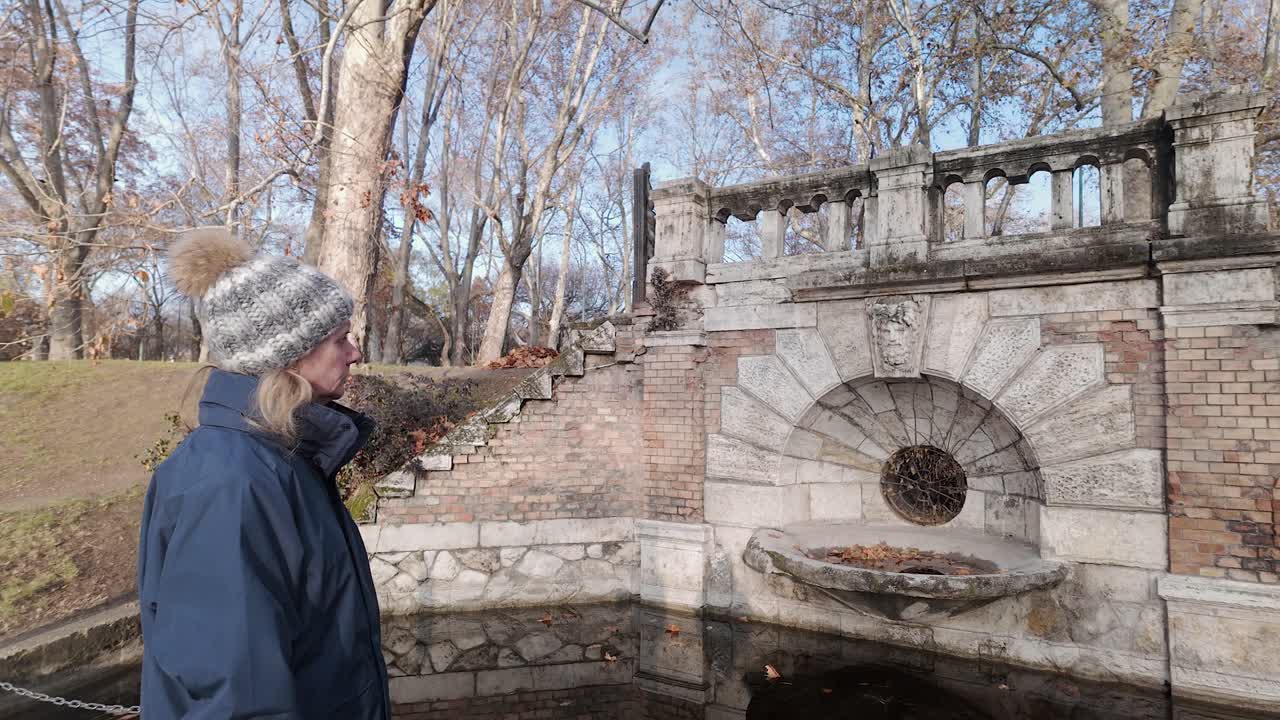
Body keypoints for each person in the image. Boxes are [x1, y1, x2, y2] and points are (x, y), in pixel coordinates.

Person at [137, 228, 390, 719]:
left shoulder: (281, 459)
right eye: (340, 339)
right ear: (289, 357)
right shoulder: (233, 481)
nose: (355, 352)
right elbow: (232, 695)